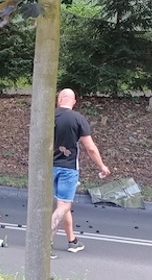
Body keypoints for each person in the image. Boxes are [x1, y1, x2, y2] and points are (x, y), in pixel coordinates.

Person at [50, 89, 110, 259]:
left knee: (64, 204)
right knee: (63, 206)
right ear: (73, 102)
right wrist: (101, 166)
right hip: (68, 169)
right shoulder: (77, 119)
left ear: (59, 100)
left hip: (49, 167)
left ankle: (72, 241)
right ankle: (46, 242)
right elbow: (90, 148)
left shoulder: (49, 116)